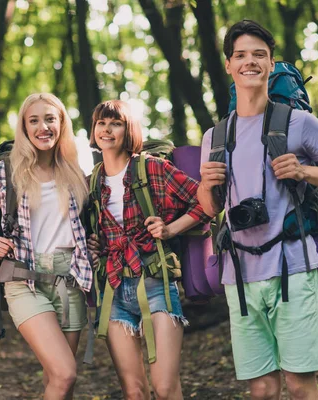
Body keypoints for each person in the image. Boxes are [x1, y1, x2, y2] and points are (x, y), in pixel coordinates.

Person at [197, 20, 318, 400]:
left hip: (292, 267)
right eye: (240, 55)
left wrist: (304, 170)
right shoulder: (214, 136)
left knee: (300, 384)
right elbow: (210, 209)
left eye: (259, 55)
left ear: (271, 65)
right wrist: (206, 184)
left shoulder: (298, 123)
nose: (249, 62)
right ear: (228, 65)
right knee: (262, 388)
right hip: (238, 276)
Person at [87, 100, 212, 400]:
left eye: (115, 123)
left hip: (156, 283)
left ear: (128, 130)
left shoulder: (151, 168)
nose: (107, 129)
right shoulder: (92, 180)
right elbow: (96, 231)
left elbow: (205, 201)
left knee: (165, 388)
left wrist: (171, 229)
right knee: (134, 391)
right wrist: (96, 244)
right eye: (101, 123)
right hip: (114, 290)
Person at [0, 93, 92, 400]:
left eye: (50, 119)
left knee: (58, 382)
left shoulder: (76, 174)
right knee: (65, 372)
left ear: (61, 124)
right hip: (23, 279)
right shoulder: (4, 173)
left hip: (69, 280)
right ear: (24, 128)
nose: (43, 127)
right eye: (34, 120)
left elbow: (86, 226)